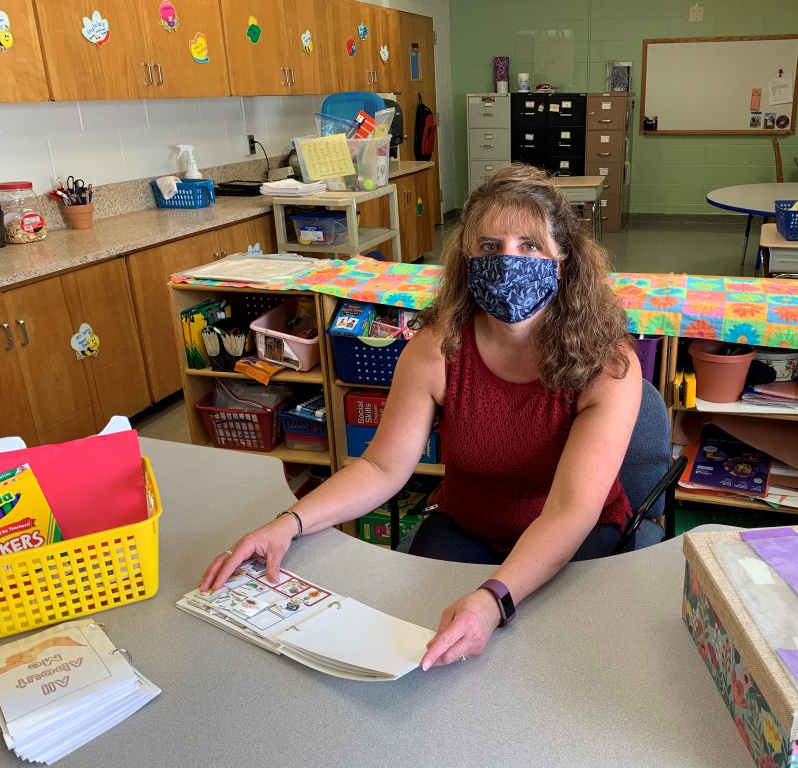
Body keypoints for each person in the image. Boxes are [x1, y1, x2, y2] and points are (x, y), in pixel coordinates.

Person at [200, 164, 642, 671]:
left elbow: (570, 511)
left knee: (552, 666)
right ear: (467, 260)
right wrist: (288, 523)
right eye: (490, 248)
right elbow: (383, 468)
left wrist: (495, 595)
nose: (508, 262)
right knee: (418, 646)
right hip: (468, 527)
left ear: (562, 263)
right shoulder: (437, 347)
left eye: (530, 246)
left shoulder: (607, 365)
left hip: (576, 538)